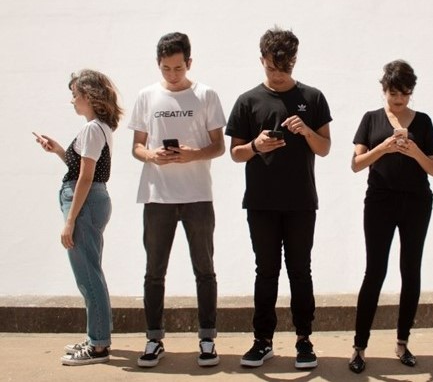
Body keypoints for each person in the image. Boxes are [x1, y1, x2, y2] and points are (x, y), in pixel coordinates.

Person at [226, 27, 332, 370]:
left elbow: (325, 148)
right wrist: (256, 145)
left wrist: (306, 130)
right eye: (272, 67)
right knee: (266, 271)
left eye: (284, 68)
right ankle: (263, 341)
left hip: (301, 202)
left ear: (294, 61)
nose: (278, 74)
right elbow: (235, 153)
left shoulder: (313, 98)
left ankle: (304, 339)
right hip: (261, 202)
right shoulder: (248, 100)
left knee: (300, 271)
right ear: (262, 60)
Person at [128, 32, 226, 368]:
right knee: (154, 272)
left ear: (189, 63)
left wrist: (192, 154)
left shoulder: (206, 95)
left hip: (198, 195)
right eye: (166, 68)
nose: (172, 74)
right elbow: (137, 146)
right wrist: (152, 155)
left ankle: (208, 339)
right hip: (158, 196)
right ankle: (153, 339)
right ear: (158, 64)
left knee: (205, 270)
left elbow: (219, 146)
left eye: (179, 67)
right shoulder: (146, 96)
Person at [348, 60, 433, 374]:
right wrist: (384, 147)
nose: (399, 99)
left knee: (410, 270)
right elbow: (356, 164)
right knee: (375, 271)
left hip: (417, 201)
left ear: (411, 92)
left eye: (405, 93)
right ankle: (359, 346)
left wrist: (413, 151)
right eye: (393, 93)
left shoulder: (423, 122)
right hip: (380, 201)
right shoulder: (371, 119)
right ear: (384, 89)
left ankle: (402, 342)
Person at [34, 70, 124, 365]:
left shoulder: (92, 130)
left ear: (88, 96)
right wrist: (59, 151)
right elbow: (83, 170)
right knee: (90, 272)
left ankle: (98, 345)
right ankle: (97, 336)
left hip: (84, 204)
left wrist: (70, 220)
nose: (72, 100)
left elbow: (86, 178)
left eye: (75, 95)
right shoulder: (99, 129)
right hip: (91, 201)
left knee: (87, 276)